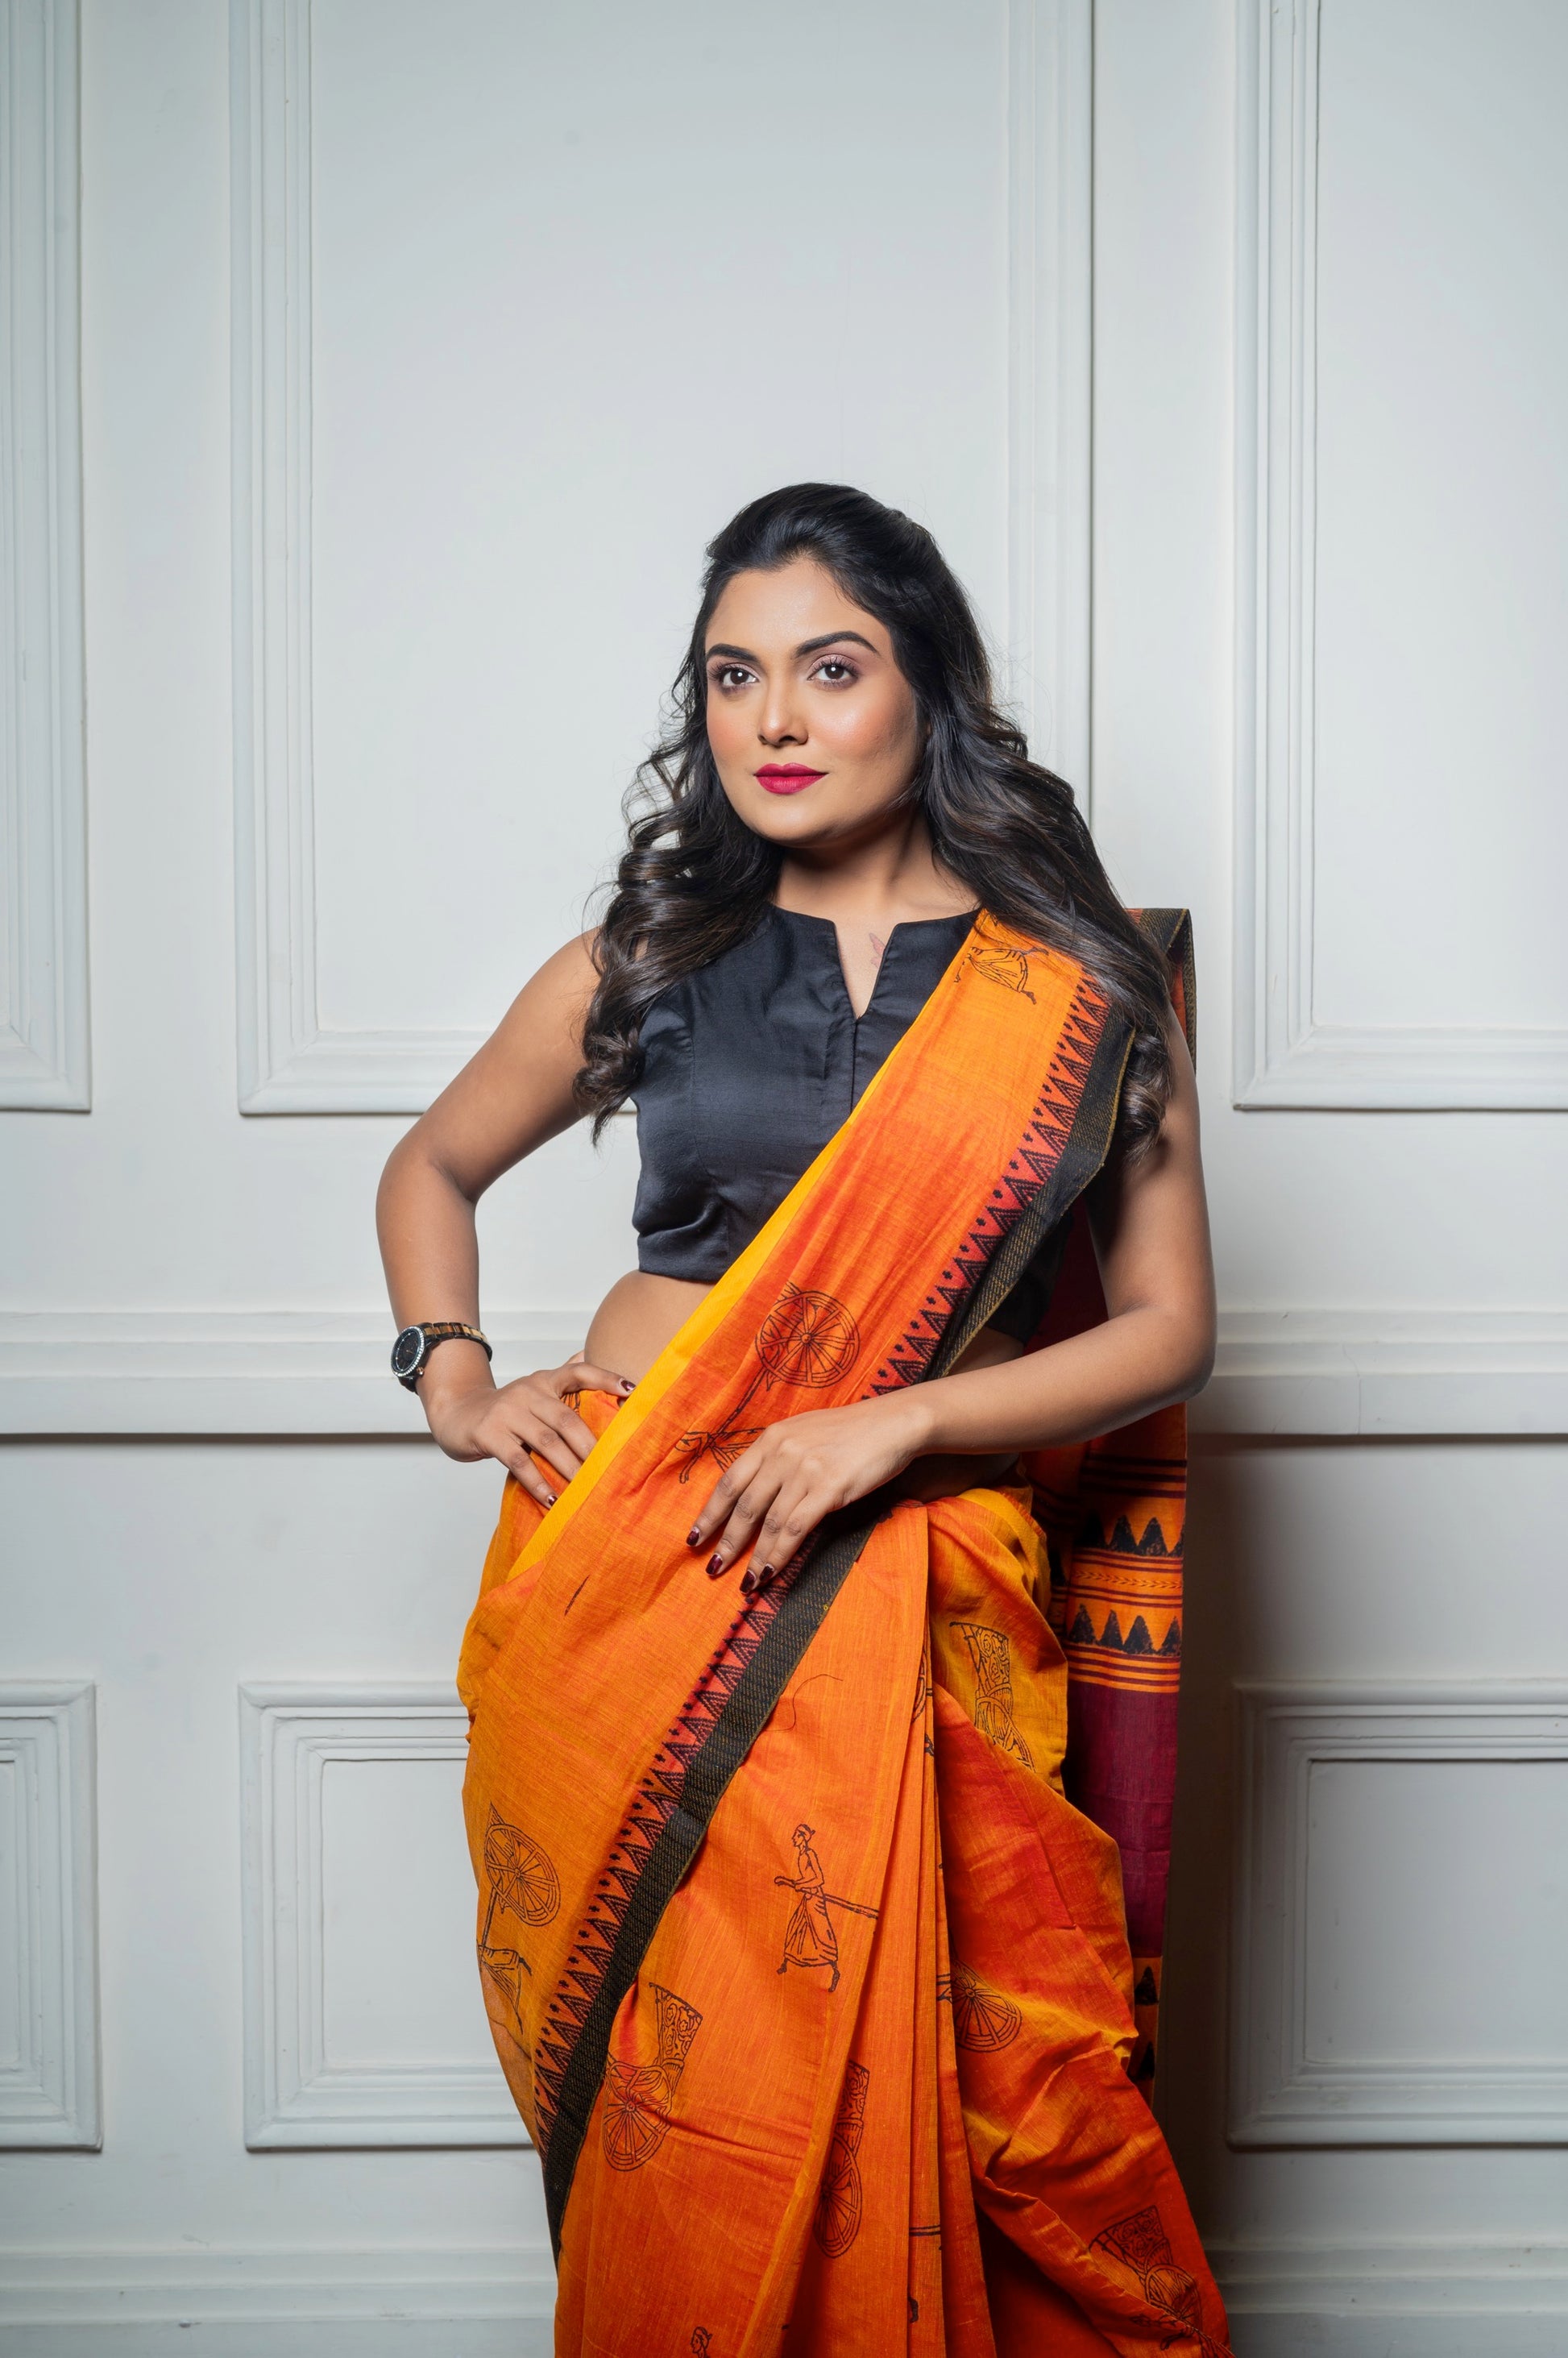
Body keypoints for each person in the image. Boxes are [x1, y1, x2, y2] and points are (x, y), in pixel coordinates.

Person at [376, 483, 1230, 2355]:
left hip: (917, 1572)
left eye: (827, 669)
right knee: (690, 2101)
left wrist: (892, 1427)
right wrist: (454, 1370)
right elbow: (431, 1161)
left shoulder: (1077, 992)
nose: (771, 719)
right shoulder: (650, 962)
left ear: (927, 685)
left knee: (996, 2084)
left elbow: (1172, 1328)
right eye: (731, 676)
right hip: (638, 1566)